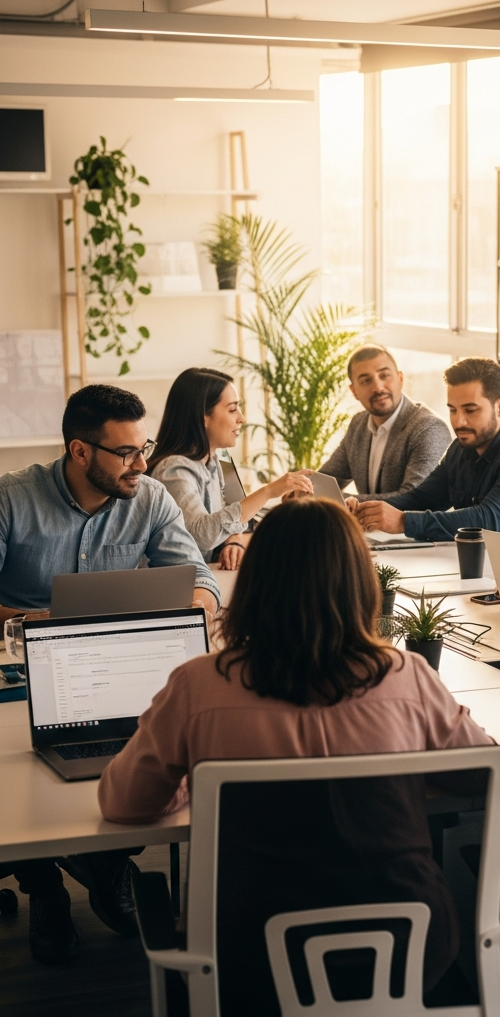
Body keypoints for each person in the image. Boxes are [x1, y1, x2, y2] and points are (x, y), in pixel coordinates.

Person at [98, 497, 494, 1015]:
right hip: (410, 946)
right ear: (360, 583)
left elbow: (125, 803)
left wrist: (194, 779)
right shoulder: (406, 675)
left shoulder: (199, 686)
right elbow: (483, 772)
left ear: (256, 584)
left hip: (248, 957)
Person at [0, 384, 220, 964]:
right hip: (19, 671)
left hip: (114, 667)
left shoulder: (148, 498)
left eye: (142, 447)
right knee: (15, 775)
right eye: (126, 453)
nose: (142, 464)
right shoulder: (11, 499)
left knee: (160, 751)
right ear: (79, 452)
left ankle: (103, 860)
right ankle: (43, 885)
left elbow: (200, 577)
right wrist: (33, 621)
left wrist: (196, 607)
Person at [354, 357, 500, 542]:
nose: (459, 422)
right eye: (453, 410)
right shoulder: (460, 448)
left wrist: (403, 522)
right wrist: (362, 508)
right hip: (481, 575)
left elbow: (488, 521)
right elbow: (422, 500)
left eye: (470, 410)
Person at [149, 368, 313, 571]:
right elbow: (201, 535)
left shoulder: (215, 459)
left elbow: (230, 512)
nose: (241, 418)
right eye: (233, 409)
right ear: (204, 417)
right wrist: (270, 491)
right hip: (173, 586)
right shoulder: (174, 471)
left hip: (203, 575)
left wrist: (233, 540)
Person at [319, 345, 452, 501]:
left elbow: (415, 498)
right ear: (354, 391)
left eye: (384, 375)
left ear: (400, 378)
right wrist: (304, 488)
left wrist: (344, 500)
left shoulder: (428, 428)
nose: (378, 387)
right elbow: (327, 479)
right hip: (368, 525)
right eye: (366, 380)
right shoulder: (358, 423)